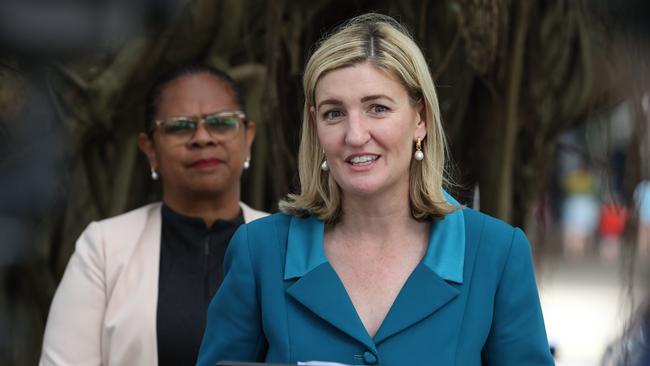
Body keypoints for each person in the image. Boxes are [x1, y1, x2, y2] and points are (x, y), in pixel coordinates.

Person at [197, 14, 553, 366]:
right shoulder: (260, 251)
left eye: (377, 108)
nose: (354, 135)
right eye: (334, 113)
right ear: (315, 126)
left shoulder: (496, 254)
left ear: (421, 119)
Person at [39, 64, 268, 366]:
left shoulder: (291, 244)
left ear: (247, 137)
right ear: (150, 150)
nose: (202, 137)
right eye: (179, 125)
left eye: (221, 122)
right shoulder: (104, 249)